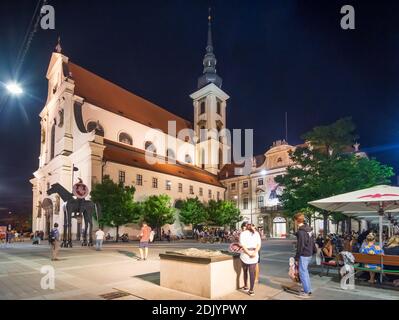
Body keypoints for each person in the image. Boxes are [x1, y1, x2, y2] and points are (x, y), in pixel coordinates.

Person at [294, 212, 316, 298]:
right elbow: (311, 240)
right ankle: (307, 288)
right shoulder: (308, 229)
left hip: (304, 254)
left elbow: (301, 245)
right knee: (305, 272)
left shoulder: (301, 231)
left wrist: (296, 257)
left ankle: (307, 292)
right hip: (309, 252)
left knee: (303, 272)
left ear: (296, 221)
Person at [239, 222, 261, 296]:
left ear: (246, 227)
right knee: (252, 272)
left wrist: (248, 253)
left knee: (245, 271)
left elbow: (242, 245)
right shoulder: (257, 233)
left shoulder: (243, 233)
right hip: (254, 253)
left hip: (245, 254)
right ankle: (251, 290)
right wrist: (254, 252)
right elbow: (259, 244)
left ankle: (245, 286)